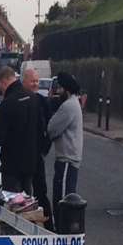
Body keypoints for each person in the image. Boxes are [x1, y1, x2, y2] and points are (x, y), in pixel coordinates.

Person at [0, 63, 39, 193]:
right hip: (30, 163)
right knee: (28, 204)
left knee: (14, 204)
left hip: (12, 166)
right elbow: (40, 128)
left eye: (0, 85)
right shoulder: (33, 98)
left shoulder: (6, 105)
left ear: (3, 82)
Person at [46, 71, 84, 223]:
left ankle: (62, 232)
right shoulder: (74, 103)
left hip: (66, 160)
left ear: (66, 90)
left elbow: (51, 128)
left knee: (62, 201)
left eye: (60, 89)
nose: (58, 92)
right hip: (69, 159)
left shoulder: (68, 106)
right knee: (65, 198)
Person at [22, 64, 52, 220]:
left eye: (37, 81)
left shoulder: (42, 101)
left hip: (37, 155)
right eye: (32, 81)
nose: (35, 84)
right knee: (23, 197)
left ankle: (49, 227)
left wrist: (44, 148)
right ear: (24, 82)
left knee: (41, 192)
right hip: (22, 157)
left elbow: (50, 126)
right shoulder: (19, 101)